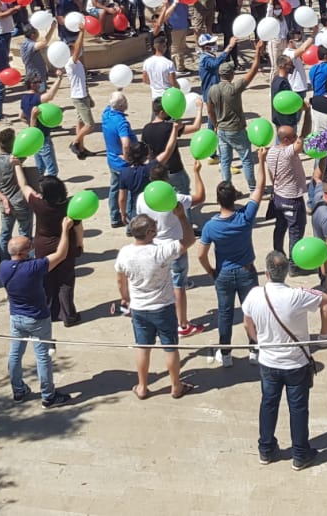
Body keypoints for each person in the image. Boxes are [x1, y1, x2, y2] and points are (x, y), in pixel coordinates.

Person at [244, 250, 327, 468]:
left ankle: (266, 450)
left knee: (268, 404)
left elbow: (247, 323)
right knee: (298, 409)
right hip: (295, 364)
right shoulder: (297, 295)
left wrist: (258, 342)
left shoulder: (254, 294)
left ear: (266, 273)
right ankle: (300, 454)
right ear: (285, 273)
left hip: (268, 362)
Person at [198, 150, 270, 366]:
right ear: (235, 198)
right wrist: (261, 161)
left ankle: (226, 354)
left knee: (225, 313)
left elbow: (201, 254)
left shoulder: (210, 226)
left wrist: (211, 271)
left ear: (218, 201)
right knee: (251, 312)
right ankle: (254, 350)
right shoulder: (245, 217)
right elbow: (259, 188)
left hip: (224, 274)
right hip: (247, 271)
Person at [116, 213, 198, 400]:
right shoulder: (160, 251)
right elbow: (189, 240)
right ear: (148, 233)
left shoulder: (124, 253)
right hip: (163, 308)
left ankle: (142, 387)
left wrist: (125, 299)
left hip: (139, 309)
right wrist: (182, 217)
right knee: (170, 347)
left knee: (143, 348)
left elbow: (120, 281)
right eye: (154, 230)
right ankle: (176, 386)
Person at [0, 217, 77, 409]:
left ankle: (18, 390)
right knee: (43, 356)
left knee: (15, 353)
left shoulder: (3, 267)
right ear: (23, 253)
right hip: (37, 319)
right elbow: (61, 254)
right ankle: (48, 396)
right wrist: (65, 230)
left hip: (16, 317)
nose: (32, 248)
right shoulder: (33, 268)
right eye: (30, 247)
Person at [137, 158, 208, 337]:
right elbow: (200, 197)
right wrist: (197, 173)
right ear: (167, 179)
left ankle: (160, 321)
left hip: (153, 248)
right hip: (176, 248)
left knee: (158, 286)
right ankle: (182, 324)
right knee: (178, 286)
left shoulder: (142, 198)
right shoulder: (176, 199)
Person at [22, 173, 86, 327]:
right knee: (66, 280)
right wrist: (79, 244)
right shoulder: (70, 206)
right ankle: (68, 315)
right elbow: (78, 228)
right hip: (66, 245)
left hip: (43, 247)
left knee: (46, 279)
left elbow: (24, 186)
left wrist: (16, 166)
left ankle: (50, 312)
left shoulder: (39, 205)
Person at [207, 40, 267, 192]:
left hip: (221, 130)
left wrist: (215, 124)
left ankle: (227, 190)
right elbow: (253, 70)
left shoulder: (212, 90)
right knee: (246, 159)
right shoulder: (234, 88)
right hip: (236, 129)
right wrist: (257, 52)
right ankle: (253, 189)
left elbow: (210, 111)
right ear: (231, 74)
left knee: (225, 161)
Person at [0, 128, 35, 258]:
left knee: (5, 233)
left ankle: (4, 260)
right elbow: (29, 145)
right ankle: (25, 260)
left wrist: (3, 198)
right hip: (21, 203)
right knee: (25, 234)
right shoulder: (16, 159)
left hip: (6, 205)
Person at [267, 125, 309, 256]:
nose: (296, 137)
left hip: (279, 197)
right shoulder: (287, 153)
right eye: (293, 136)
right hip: (292, 199)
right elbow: (303, 138)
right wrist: (308, 116)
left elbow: (270, 173)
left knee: (280, 227)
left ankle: (277, 256)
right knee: (296, 231)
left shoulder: (271, 151)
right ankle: (294, 263)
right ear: (285, 140)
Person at [102, 92, 136, 229]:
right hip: (123, 164)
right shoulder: (121, 122)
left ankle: (114, 218)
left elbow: (110, 104)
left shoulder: (106, 114)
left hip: (112, 160)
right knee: (129, 194)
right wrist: (127, 158)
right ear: (122, 105)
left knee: (115, 189)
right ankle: (129, 223)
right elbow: (126, 143)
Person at [20, 72, 62, 179]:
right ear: (32, 84)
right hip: (43, 137)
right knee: (52, 170)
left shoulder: (24, 98)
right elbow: (50, 95)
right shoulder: (36, 99)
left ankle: (39, 186)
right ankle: (51, 188)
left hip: (35, 140)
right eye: (38, 82)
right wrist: (59, 79)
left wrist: (30, 124)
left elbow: (21, 116)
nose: (40, 84)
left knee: (40, 169)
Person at [143, 34, 181, 100]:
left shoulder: (147, 62)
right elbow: (173, 82)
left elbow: (145, 80)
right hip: (168, 97)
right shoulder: (169, 63)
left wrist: (155, 84)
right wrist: (179, 88)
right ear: (164, 46)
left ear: (154, 47)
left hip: (155, 97)